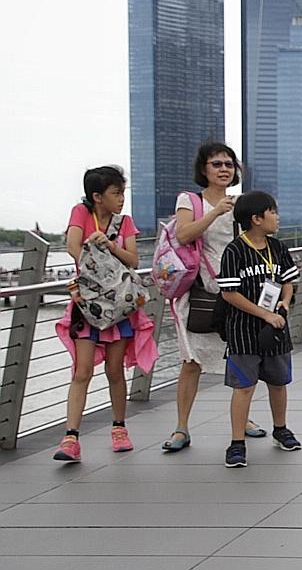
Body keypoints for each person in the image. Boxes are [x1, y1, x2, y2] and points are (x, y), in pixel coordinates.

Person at [162, 141, 268, 453]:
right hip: (199, 293)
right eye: (217, 164)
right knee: (191, 361)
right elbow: (183, 234)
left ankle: (243, 420)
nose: (224, 169)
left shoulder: (241, 203)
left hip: (236, 292)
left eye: (228, 164)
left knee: (242, 358)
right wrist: (215, 213)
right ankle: (181, 427)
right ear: (204, 169)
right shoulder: (190, 200)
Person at [53, 166, 159, 463]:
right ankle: (71, 436)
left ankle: (119, 428)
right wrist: (94, 260)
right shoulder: (80, 213)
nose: (121, 199)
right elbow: (73, 246)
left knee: (115, 370)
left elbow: (133, 259)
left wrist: (110, 245)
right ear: (97, 196)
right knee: (82, 370)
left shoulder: (125, 222)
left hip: (118, 308)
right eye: (116, 193)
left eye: (122, 193)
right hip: (87, 305)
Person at [217, 191, 302, 467]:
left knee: (279, 382)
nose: (277, 217)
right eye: (272, 212)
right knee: (244, 387)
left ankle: (281, 429)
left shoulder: (277, 247)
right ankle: (237, 443)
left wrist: (285, 305)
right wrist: (264, 314)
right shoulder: (234, 251)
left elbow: (288, 281)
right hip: (243, 331)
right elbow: (230, 293)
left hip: (276, 328)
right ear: (256, 219)